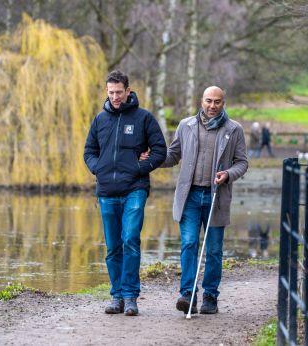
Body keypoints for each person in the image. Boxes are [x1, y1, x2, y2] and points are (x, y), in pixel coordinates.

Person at [143, 86, 248, 314]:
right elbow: (173, 155)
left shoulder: (234, 130)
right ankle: (188, 294)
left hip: (216, 197)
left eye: (217, 102)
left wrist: (229, 174)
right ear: (201, 101)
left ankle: (210, 297)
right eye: (208, 101)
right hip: (189, 196)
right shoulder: (186, 125)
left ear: (223, 103)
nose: (212, 106)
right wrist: (152, 158)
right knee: (189, 244)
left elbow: (242, 162)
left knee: (213, 250)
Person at [84, 70, 166, 316]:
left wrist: (140, 168)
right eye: (111, 92)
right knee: (112, 246)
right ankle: (117, 296)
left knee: (130, 239)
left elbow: (160, 150)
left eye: (119, 92)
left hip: (134, 189)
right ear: (106, 92)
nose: (115, 97)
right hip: (107, 191)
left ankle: (131, 297)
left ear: (128, 91)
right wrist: (98, 168)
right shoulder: (100, 120)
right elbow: (89, 150)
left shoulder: (143, 118)